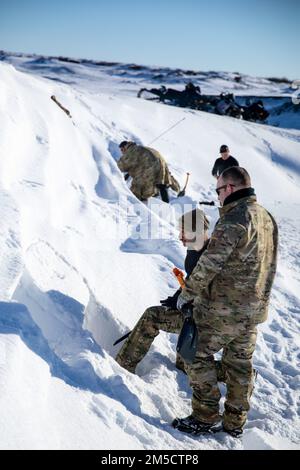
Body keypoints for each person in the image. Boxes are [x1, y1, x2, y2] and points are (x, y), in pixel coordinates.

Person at [173, 167, 278, 437]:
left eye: (219, 190)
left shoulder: (234, 219)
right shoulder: (266, 218)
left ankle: (205, 416)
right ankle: (234, 423)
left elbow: (209, 265)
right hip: (253, 311)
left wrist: (187, 295)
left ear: (230, 188)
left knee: (195, 353)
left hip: (223, 310)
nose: (218, 196)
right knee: (240, 364)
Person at [115, 208, 223, 375]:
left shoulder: (210, 256)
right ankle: (233, 375)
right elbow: (193, 280)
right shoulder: (194, 249)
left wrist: (185, 302)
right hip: (193, 314)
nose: (180, 237)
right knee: (185, 365)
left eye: (184, 232)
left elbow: (209, 290)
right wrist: (177, 298)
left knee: (152, 316)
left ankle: (122, 366)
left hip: (205, 319)